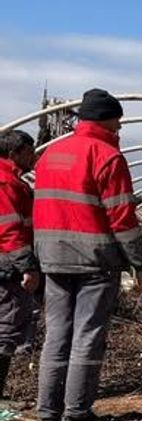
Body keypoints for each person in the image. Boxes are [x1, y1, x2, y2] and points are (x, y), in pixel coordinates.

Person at [34, 89, 142, 421]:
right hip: (94, 262)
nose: (120, 128)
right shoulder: (107, 156)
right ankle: (76, 415)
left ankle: (47, 415)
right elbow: (123, 219)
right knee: (87, 335)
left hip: (52, 260)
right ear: (105, 119)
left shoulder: (50, 155)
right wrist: (139, 264)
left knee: (56, 335)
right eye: (117, 121)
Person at [0, 131, 39, 404]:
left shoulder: (12, 181)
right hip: (7, 264)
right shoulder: (6, 183)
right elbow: (11, 230)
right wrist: (28, 267)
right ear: (15, 153)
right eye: (29, 151)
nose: (32, 157)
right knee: (5, 328)